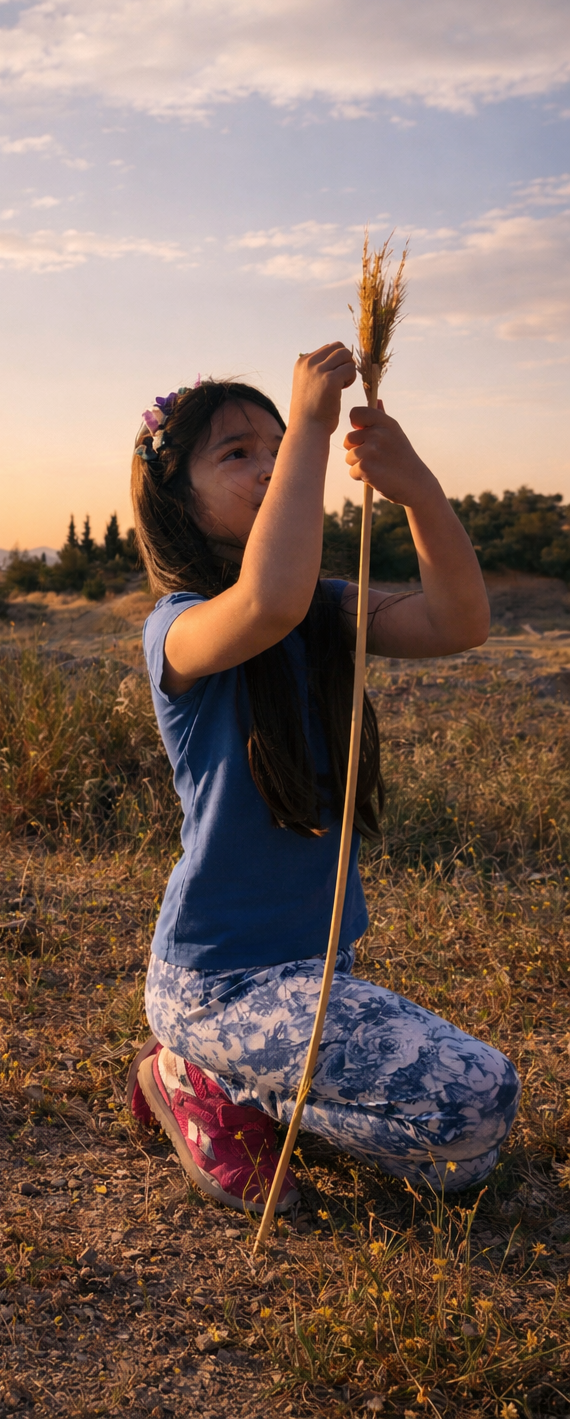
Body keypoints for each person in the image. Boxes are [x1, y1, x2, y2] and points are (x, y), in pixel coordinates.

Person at [126, 348, 521, 1214]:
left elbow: (460, 622)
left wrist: (416, 487)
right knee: (477, 1098)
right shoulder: (180, 629)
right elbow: (267, 599)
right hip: (217, 982)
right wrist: (309, 426)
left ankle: (245, 1084)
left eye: (276, 445)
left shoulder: (325, 607)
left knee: (469, 1152)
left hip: (313, 966)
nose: (269, 464)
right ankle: (200, 1074)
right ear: (176, 497)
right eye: (238, 453)